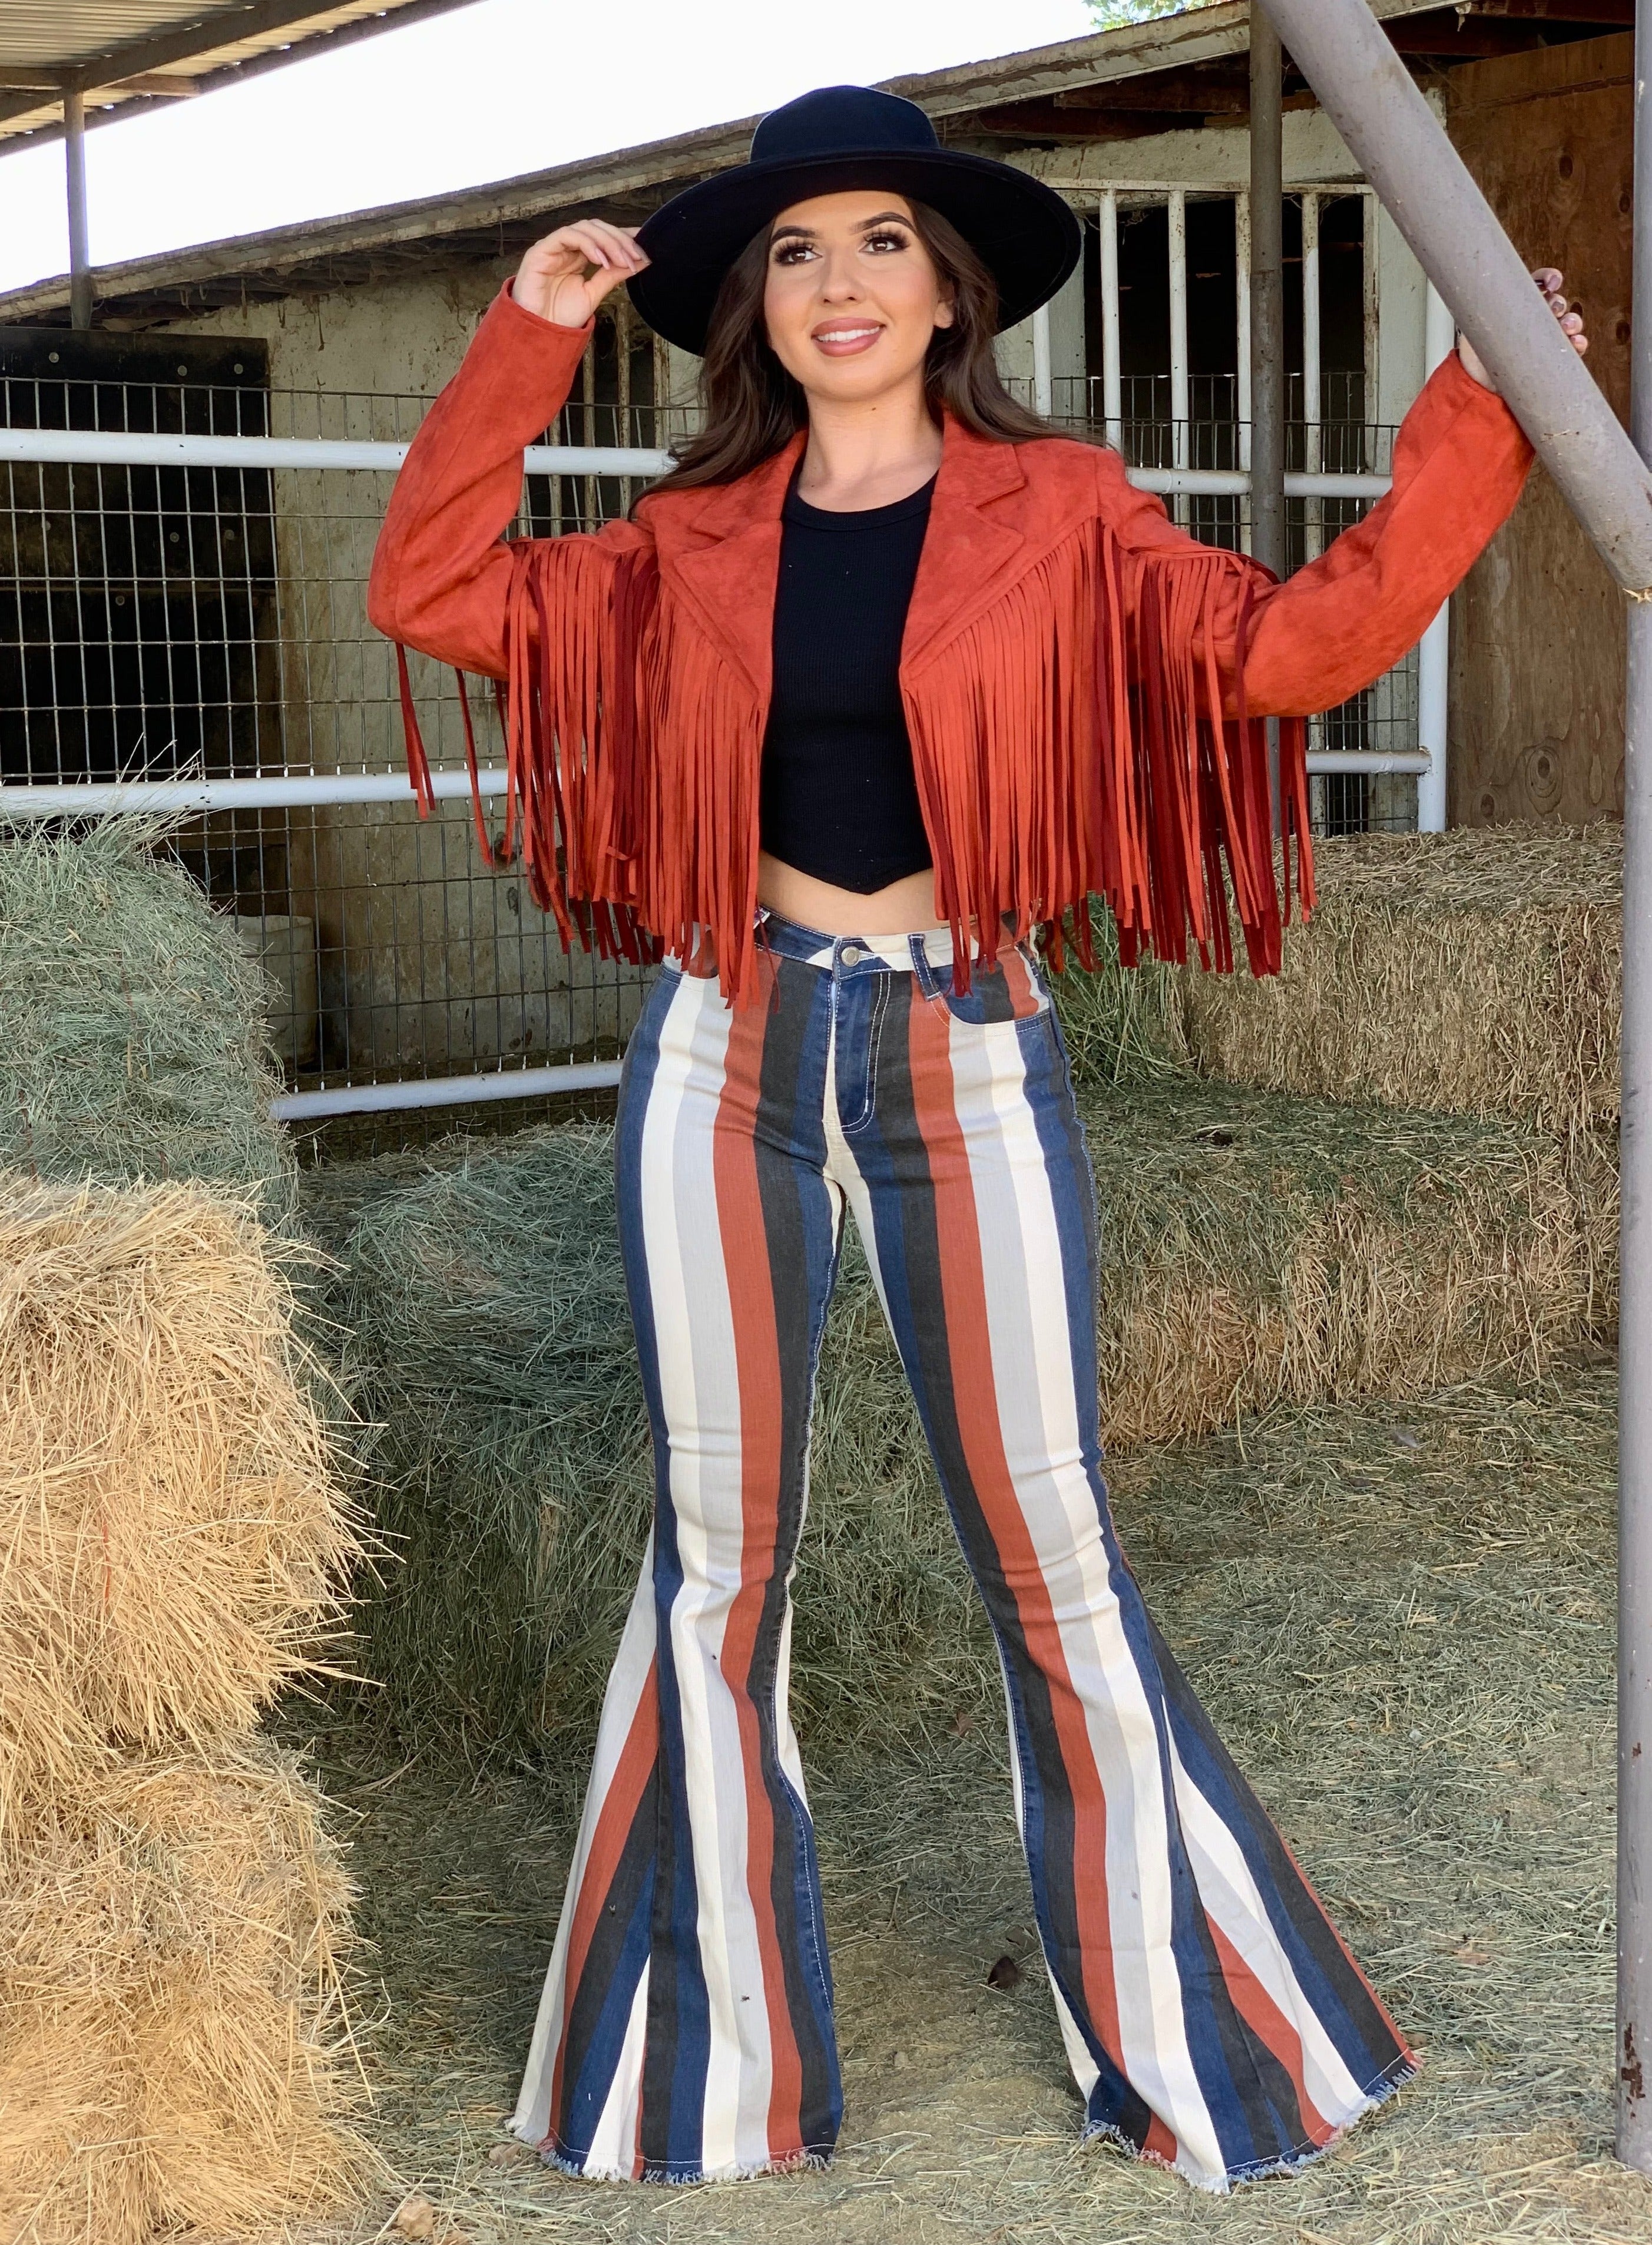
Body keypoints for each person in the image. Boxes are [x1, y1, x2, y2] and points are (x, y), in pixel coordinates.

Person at [369, 84, 1585, 2194]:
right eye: (798, 251)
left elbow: (1301, 649)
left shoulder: (1070, 512)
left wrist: (1477, 412)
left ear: (952, 290)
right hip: (724, 1034)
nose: (841, 283)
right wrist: (526, 332)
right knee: (719, 1560)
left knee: (1055, 1556)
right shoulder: (684, 542)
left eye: (881, 245)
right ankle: (697, 2078)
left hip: (966, 1036)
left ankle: (1198, 2049)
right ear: (756, 301)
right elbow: (430, 585)